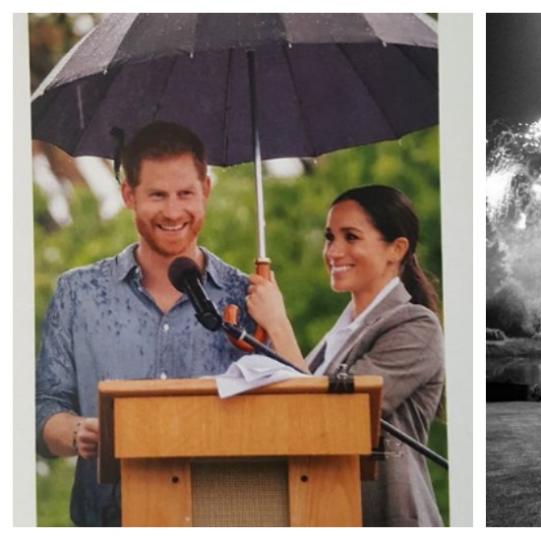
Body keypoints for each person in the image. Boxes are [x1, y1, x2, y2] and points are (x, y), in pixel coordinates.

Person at [35, 121, 251, 526]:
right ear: (128, 195)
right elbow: (41, 411)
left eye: (185, 193)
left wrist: (274, 319)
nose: (173, 211)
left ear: (205, 190)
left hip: (220, 519)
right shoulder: (76, 293)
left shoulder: (247, 295)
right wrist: (78, 432)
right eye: (157, 195)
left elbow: (292, 409)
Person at [245, 184, 445, 527]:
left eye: (350, 237)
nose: (333, 251)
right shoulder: (340, 333)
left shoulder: (415, 326)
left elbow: (335, 416)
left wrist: (278, 324)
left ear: (396, 249)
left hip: (388, 516)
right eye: (329, 237)